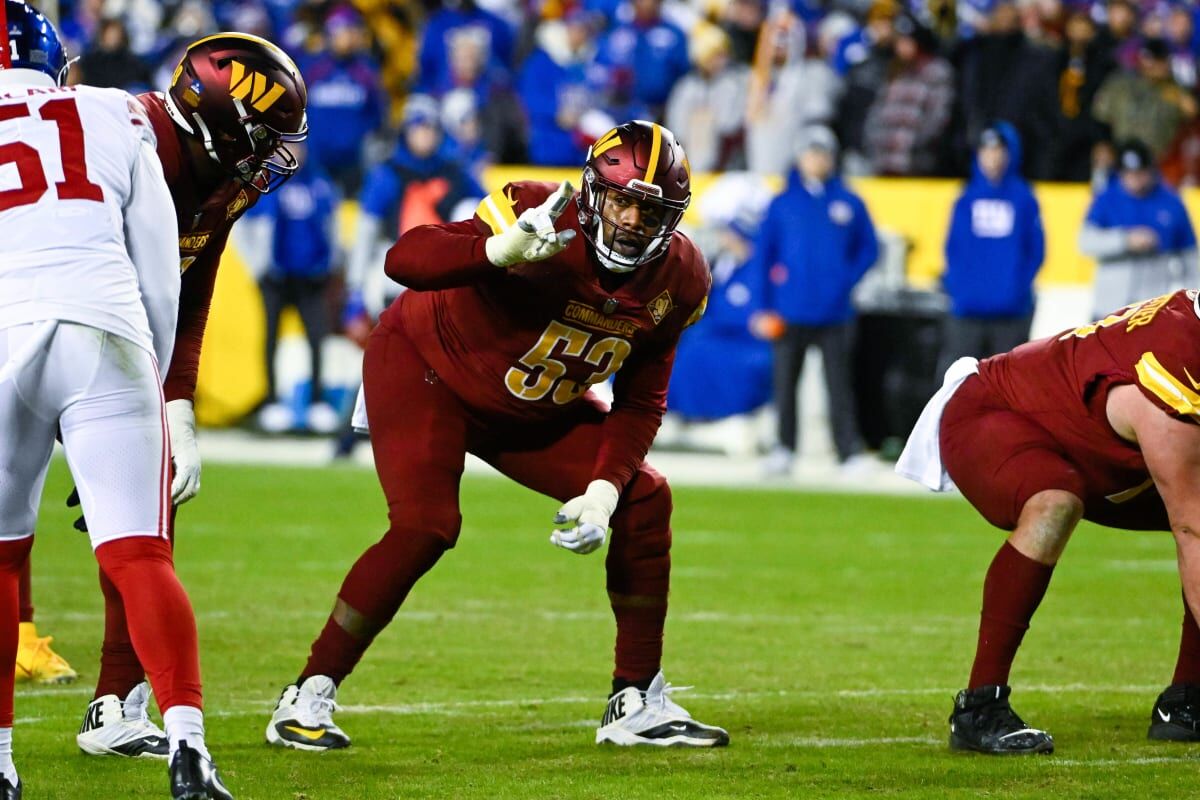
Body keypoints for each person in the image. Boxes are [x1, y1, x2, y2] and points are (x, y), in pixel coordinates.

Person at [266, 120, 729, 751]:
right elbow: (403, 258)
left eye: (649, 211)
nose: (629, 220)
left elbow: (642, 399)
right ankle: (309, 692)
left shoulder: (680, 280)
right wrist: (496, 251)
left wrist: (601, 491)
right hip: (428, 369)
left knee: (643, 496)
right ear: (594, 191)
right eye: (621, 199)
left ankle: (635, 698)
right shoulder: (539, 211)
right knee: (426, 525)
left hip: (532, 406)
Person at [0, 3, 232, 797]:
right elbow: (159, 271)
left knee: (1, 559)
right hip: (106, 331)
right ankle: (189, 747)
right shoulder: (111, 109)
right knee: (139, 555)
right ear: (58, 61)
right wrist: (149, 398)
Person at [63, 32, 308, 766]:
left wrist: (177, 408)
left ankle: (116, 701)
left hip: (106, 338)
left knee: (143, 521)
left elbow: (189, 288)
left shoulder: (219, 177)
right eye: (263, 136)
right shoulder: (126, 143)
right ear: (218, 120)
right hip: (40, 321)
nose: (274, 157)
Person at [897, 288, 1200, 753]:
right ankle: (979, 706)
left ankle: (1185, 701)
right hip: (994, 411)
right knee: (1054, 503)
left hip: (1093, 442)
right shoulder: (1173, 373)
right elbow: (1191, 528)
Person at [749, 126, 879, 476]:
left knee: (839, 384)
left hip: (836, 311)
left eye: (822, 153)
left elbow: (869, 248)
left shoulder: (849, 201)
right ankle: (784, 448)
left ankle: (847, 450)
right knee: (785, 383)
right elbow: (762, 257)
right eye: (810, 152)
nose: (816, 160)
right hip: (789, 310)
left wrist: (845, 279)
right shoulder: (782, 203)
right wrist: (761, 306)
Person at [237, 142, 341, 434]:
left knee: (317, 337)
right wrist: (256, 266)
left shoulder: (319, 182)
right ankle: (271, 401)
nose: (294, 153)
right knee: (270, 338)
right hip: (275, 275)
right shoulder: (263, 181)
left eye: (298, 146)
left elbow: (330, 225)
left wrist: (330, 262)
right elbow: (240, 224)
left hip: (311, 276)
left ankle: (318, 401)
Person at [939, 123, 1045, 374]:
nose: (992, 158)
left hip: (1011, 312)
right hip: (967, 310)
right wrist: (958, 287)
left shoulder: (1024, 199)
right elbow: (952, 248)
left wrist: (1016, 290)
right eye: (986, 151)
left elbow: (1036, 250)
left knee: (1007, 388)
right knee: (959, 387)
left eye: (998, 151)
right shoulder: (965, 198)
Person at [1079, 139, 1197, 318]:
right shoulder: (1107, 198)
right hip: (1109, 308)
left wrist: (1193, 307)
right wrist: (1124, 240)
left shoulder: (1171, 202)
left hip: (1152, 310)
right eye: (1129, 174)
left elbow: (1190, 257)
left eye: (1140, 173)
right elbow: (1085, 241)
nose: (1135, 180)